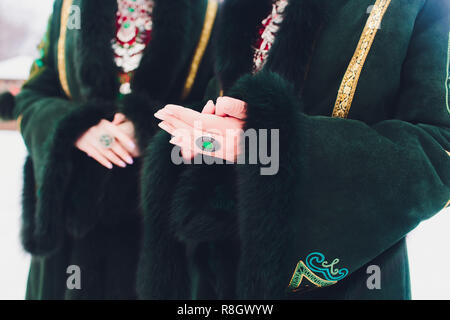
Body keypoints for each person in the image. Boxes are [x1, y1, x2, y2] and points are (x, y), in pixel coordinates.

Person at [138, 0, 450, 299]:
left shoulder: (417, 5)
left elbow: (440, 152)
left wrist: (271, 144)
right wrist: (201, 139)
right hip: (220, 269)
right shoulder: (238, 10)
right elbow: (225, 111)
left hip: (345, 277)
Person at [14, 0, 218, 299]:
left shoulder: (210, 12)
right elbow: (33, 95)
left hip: (159, 221)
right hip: (74, 217)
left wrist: (152, 128)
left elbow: (220, 105)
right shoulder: (70, 8)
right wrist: (77, 128)